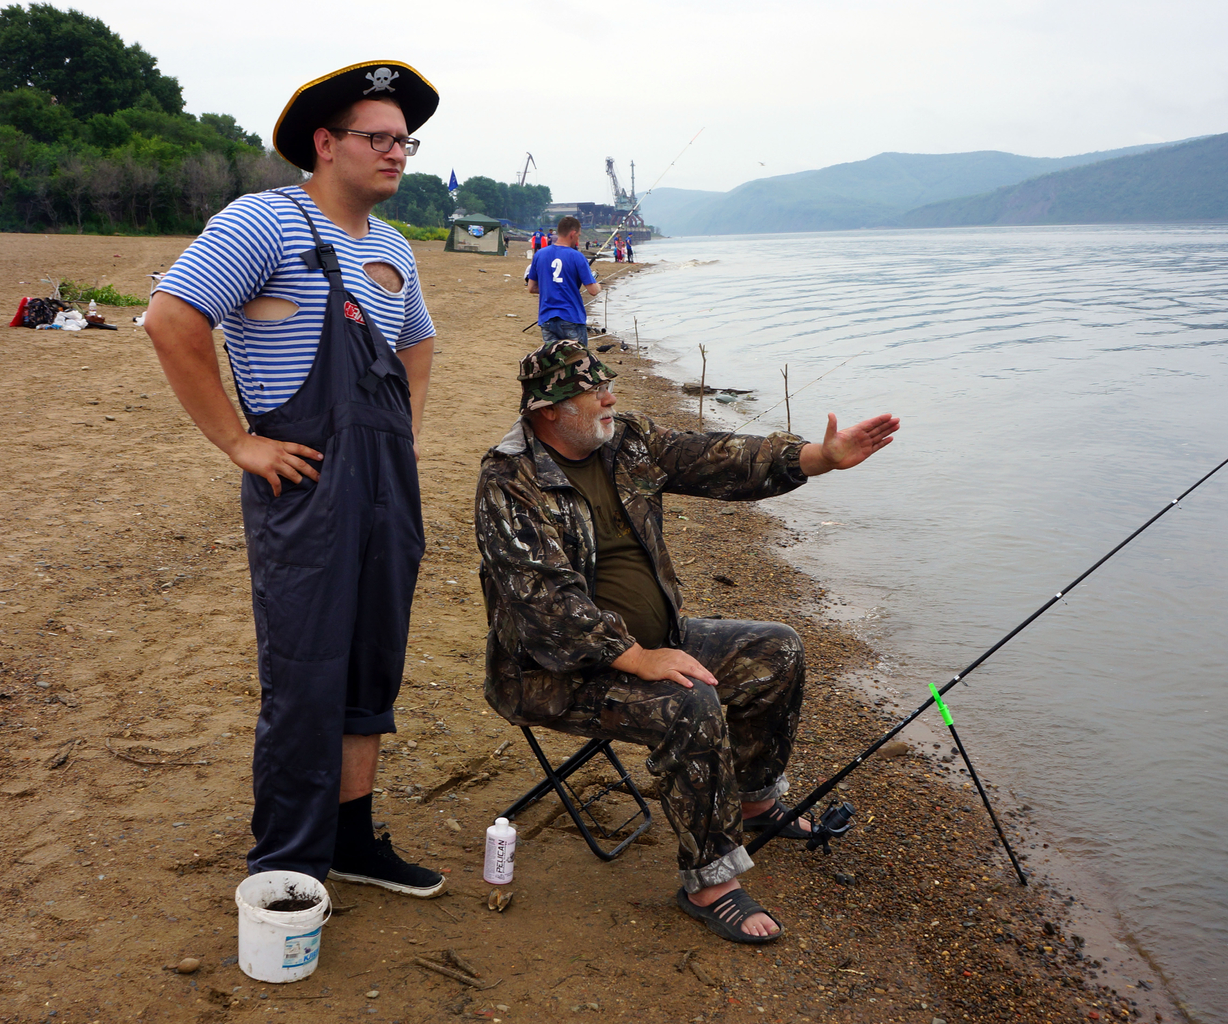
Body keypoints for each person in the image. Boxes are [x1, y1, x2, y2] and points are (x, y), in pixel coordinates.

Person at [474, 341, 900, 943]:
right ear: (547, 410)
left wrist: (817, 458)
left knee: (776, 651)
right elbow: (546, 606)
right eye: (592, 391)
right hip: (551, 673)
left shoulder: (626, 439)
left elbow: (717, 457)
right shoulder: (508, 480)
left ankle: (754, 801)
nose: (610, 397)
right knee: (690, 699)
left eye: (607, 384)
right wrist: (638, 659)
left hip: (653, 645)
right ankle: (710, 881)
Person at [144, 61, 445, 900]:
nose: (397, 154)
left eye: (405, 141)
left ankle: (351, 839)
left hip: (387, 485)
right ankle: (286, 860)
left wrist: (410, 429)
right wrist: (240, 442)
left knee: (369, 669)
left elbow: (417, 341)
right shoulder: (262, 222)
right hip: (305, 484)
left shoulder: (393, 247)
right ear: (325, 143)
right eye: (378, 138)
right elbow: (172, 319)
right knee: (305, 671)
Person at [526, 216, 601, 346]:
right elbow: (593, 290)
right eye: (578, 235)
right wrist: (599, 285)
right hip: (571, 317)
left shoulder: (539, 255)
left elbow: (531, 288)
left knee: (555, 362)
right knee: (577, 362)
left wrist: (552, 287)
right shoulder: (577, 256)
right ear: (572, 234)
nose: (578, 239)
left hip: (547, 319)